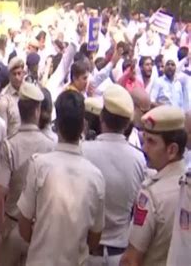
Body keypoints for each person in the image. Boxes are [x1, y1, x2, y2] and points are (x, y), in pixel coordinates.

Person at [17, 90, 106, 265]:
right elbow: (95, 238)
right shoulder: (96, 176)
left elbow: (23, 226)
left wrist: (43, 244)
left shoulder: (39, 165)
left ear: (56, 125)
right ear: (84, 126)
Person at [82, 84, 147, 266]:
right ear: (128, 124)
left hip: (87, 252)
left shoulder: (84, 150)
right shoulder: (138, 159)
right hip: (119, 254)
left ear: (101, 117)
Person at [0, 82, 54, 266]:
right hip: (38, 230)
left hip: (12, 225)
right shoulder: (50, 146)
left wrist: (1, 227)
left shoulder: (9, 145)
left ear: (19, 111)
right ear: (37, 111)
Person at [120, 105, 188, 266]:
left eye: (151, 142)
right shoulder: (187, 186)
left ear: (172, 150)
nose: (144, 148)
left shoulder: (151, 195)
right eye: (145, 139)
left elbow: (131, 260)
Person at [0, 57, 25, 137]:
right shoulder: (4, 98)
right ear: (9, 76)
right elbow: (2, 131)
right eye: (14, 74)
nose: (17, 77)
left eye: (19, 73)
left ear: (23, 73)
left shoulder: (29, 91)